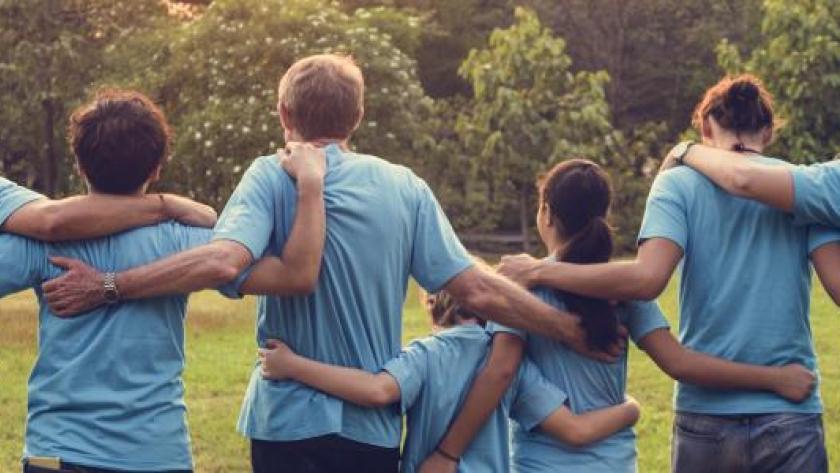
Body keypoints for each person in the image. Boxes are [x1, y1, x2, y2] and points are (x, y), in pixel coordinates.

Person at [40, 55, 617, 473]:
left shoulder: (269, 176)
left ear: (283, 112)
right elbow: (478, 291)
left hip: (284, 422)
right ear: (357, 115)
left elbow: (221, 261)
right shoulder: (404, 187)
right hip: (368, 430)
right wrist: (567, 328)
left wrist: (109, 285)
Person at [495, 76, 840, 472]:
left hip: (705, 416)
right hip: (790, 411)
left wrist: (541, 272)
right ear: (767, 131)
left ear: (706, 127)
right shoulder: (801, 188)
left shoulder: (676, 184)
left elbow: (646, 279)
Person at [0, 88, 328, 473]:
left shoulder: (42, 244)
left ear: (79, 166)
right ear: (156, 168)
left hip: (58, 452)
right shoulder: (191, 241)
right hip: (156, 454)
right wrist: (310, 188)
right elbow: (292, 274)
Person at [421, 159, 818, 473]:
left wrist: (448, 453)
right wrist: (775, 378)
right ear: (603, 214)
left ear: (546, 213)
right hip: (616, 464)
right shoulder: (620, 289)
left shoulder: (522, 287)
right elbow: (679, 363)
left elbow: (501, 370)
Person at [258, 283, 642, 472]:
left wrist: (293, 366)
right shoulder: (511, 361)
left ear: (434, 307)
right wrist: (630, 409)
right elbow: (573, 430)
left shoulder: (426, 354)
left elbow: (377, 391)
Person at [0, 176, 217, 239]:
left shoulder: (38, 250)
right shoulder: (179, 237)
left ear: (80, 168)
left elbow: (51, 220)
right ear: (155, 171)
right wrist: (165, 205)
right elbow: (52, 222)